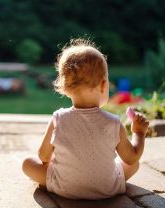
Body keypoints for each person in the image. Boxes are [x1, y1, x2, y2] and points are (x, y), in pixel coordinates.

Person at [22, 39, 149, 199]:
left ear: (65, 88)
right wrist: (139, 133)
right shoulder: (114, 123)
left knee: (27, 163)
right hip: (107, 188)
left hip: (64, 187)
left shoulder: (58, 119)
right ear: (104, 85)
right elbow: (132, 158)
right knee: (134, 165)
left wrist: (55, 158)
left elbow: (43, 156)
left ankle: (66, 180)